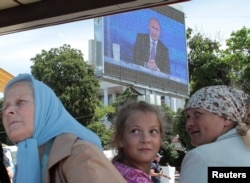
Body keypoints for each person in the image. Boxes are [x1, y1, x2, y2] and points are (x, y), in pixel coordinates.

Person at [1, 73, 126, 183]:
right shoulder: (25, 161)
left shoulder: (81, 155)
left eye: (20, 102)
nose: (8, 111)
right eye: (5, 106)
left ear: (45, 108)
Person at [179, 85, 250, 183]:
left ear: (227, 118)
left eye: (197, 114)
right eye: (187, 117)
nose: (189, 124)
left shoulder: (202, 156)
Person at [110, 101, 165, 183]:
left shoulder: (114, 171)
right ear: (120, 139)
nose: (146, 139)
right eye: (135, 131)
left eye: (153, 131)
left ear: (160, 138)